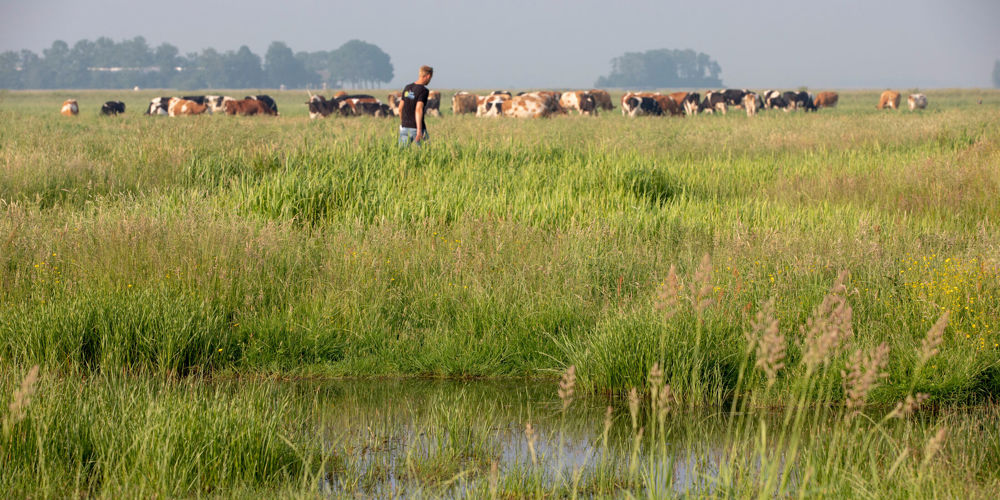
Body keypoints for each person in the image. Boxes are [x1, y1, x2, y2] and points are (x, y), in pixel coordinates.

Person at [398, 65, 433, 147]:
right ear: (428, 76)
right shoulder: (423, 90)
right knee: (426, 154)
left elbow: (400, 109)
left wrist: (403, 123)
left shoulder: (407, 88)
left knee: (401, 154)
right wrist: (419, 130)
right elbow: (418, 109)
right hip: (416, 128)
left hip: (404, 128)